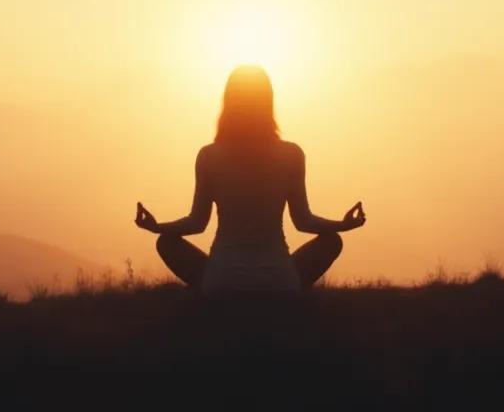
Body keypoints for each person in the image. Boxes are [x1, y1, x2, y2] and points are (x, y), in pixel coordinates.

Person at [134, 65, 367, 293]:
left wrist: (156, 227)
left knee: (166, 242)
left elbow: (197, 223)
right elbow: (303, 222)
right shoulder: (291, 154)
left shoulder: (209, 155)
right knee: (332, 241)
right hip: (279, 280)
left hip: (222, 280)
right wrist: (343, 225)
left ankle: (215, 297)